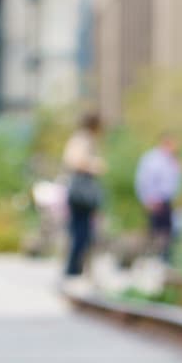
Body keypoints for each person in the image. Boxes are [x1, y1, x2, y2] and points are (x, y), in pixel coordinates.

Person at [59, 113, 106, 278]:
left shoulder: (84, 139)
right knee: (81, 231)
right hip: (81, 191)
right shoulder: (82, 139)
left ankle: (77, 267)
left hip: (81, 191)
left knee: (82, 230)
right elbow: (73, 161)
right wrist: (94, 165)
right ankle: (73, 268)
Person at [134, 134, 182, 261]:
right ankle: (153, 260)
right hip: (155, 200)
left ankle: (163, 259)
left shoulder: (170, 160)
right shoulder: (153, 159)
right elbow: (144, 180)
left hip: (166, 200)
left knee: (167, 232)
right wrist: (148, 199)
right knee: (156, 233)